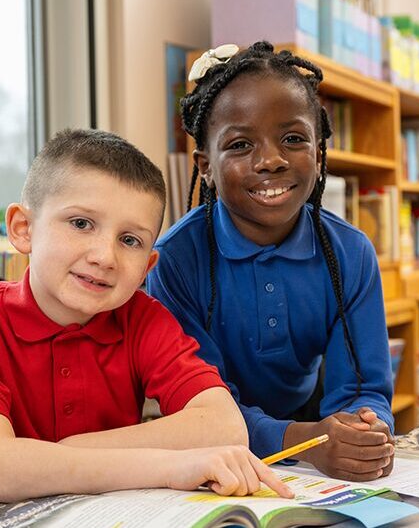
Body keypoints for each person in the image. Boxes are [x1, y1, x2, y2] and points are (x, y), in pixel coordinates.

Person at [0, 129, 292, 503]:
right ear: (24, 229)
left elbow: (225, 427)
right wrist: (169, 466)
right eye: (81, 224)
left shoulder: (143, 319)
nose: (104, 257)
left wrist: (60, 452)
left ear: (147, 266)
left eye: (129, 240)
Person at [147, 42, 395, 482]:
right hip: (213, 439)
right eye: (241, 144)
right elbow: (199, 408)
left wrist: (364, 432)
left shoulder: (350, 254)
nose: (272, 160)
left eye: (293, 139)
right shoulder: (174, 261)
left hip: (307, 422)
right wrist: (304, 441)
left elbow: (363, 389)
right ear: (205, 166)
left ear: (319, 154)